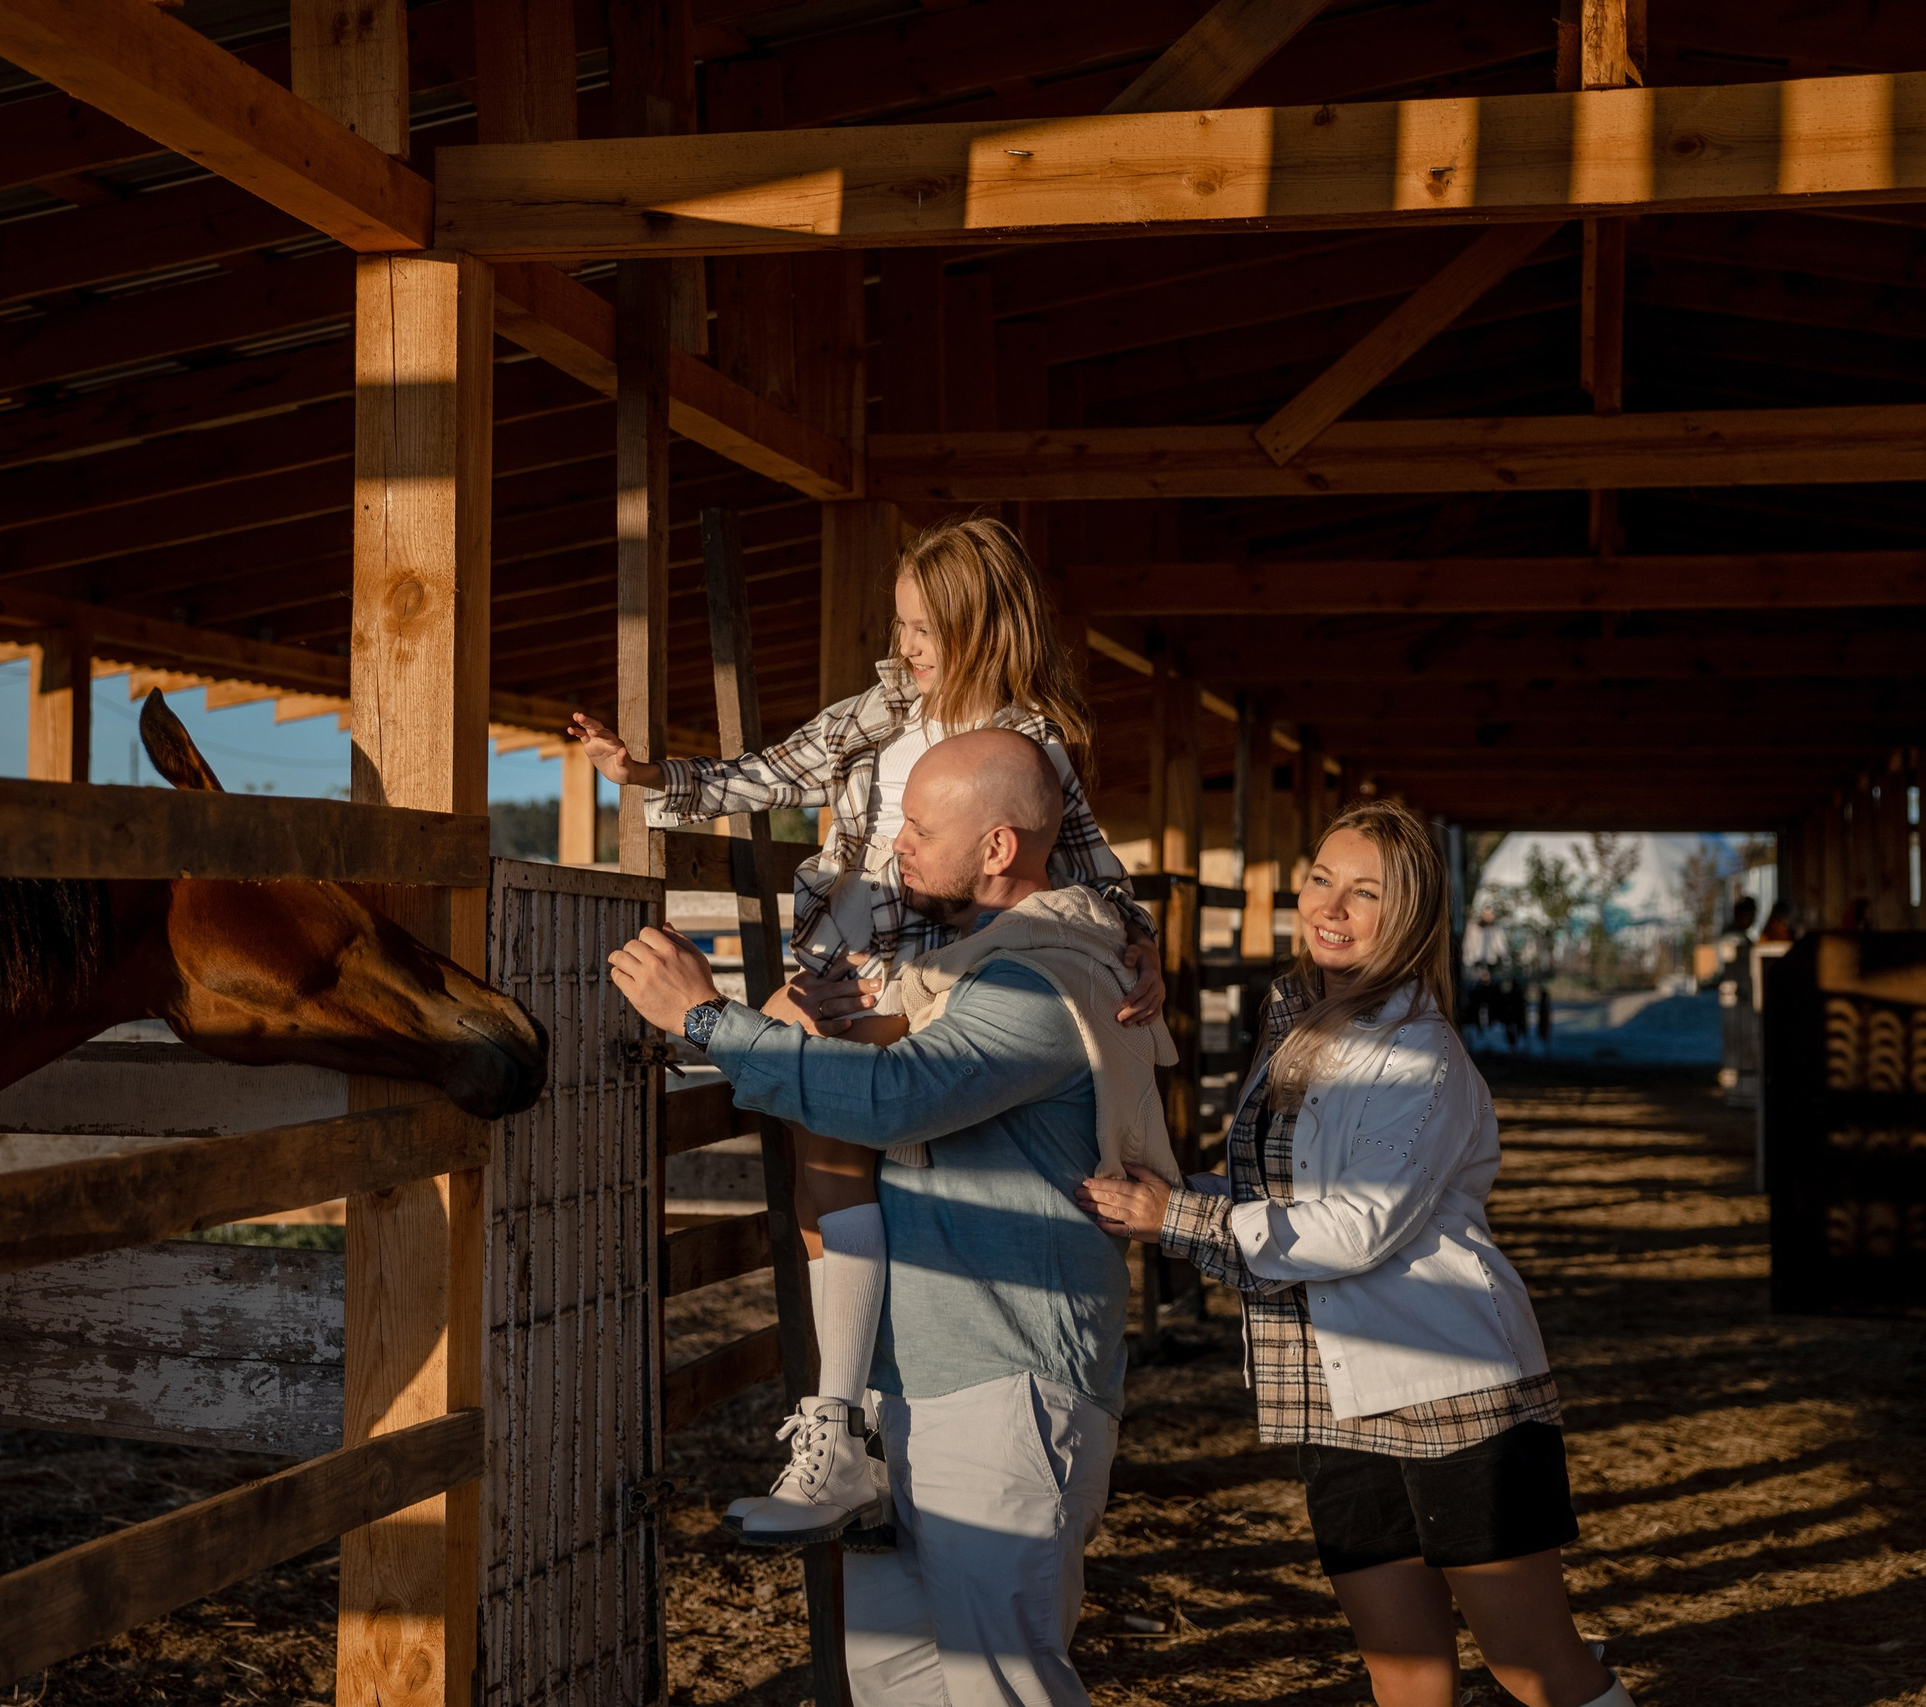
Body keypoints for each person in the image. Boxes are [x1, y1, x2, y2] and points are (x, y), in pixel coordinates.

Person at [568, 514, 1163, 1541]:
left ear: (985, 626)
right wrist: (647, 773)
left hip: (924, 975)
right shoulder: (882, 707)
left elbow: (1086, 863)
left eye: (927, 630)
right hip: (839, 962)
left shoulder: (1031, 741)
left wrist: (1142, 938)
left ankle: (845, 1423)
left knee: (864, 1152)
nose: (909, 649)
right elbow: (773, 772)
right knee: (823, 1175)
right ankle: (847, 1420)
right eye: (901, 626)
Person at [607, 730, 1172, 1707]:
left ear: (996, 848)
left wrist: (705, 1018)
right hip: (916, 1388)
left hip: (1004, 1392)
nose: (894, 843)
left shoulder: (1045, 981)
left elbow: (896, 1100)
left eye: (918, 824)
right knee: (895, 1677)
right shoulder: (980, 967)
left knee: (1004, 1683)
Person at [1078, 802, 1632, 1707]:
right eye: (1322, 879)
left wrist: (1180, 1217)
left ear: (1409, 914)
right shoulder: (1297, 1024)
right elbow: (1281, 1207)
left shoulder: (1422, 1054)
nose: (1332, 905)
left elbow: (1359, 1225)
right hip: (1333, 1397)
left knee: (1534, 1663)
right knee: (1403, 1672)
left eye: (1365, 891)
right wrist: (1175, 1199)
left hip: (1452, 1389)